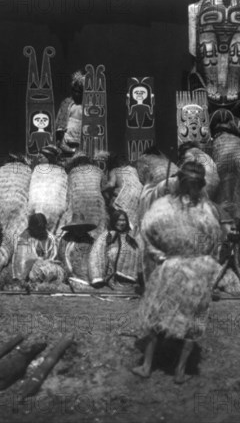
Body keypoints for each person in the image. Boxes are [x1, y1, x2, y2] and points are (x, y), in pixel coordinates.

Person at [133, 160, 222, 383]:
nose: (191, 187)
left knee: (185, 324)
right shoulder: (170, 206)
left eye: (195, 183)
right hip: (181, 268)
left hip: (187, 269)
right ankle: (163, 368)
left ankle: (163, 368)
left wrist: (161, 256)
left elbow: (214, 241)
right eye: (188, 182)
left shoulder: (205, 210)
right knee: (162, 320)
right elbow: (148, 231)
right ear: (183, 182)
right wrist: (159, 255)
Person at [89, 209, 141, 289]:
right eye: (119, 220)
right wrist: (97, 277)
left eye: (123, 220)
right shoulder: (106, 236)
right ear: (114, 221)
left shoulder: (130, 239)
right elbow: (96, 254)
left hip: (128, 280)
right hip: (109, 278)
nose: (121, 223)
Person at [12, 213, 63, 289]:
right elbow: (20, 260)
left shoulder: (50, 238)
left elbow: (52, 258)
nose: (39, 230)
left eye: (42, 227)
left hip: (45, 271)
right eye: (37, 228)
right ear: (31, 227)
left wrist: (41, 264)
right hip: (27, 272)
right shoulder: (24, 237)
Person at [57, 213, 97, 284]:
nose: (79, 230)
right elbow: (61, 256)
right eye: (77, 228)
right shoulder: (65, 240)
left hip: (86, 277)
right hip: (68, 276)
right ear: (72, 228)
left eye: (81, 227)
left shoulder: (91, 241)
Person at [55, 70, 84, 155]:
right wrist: (59, 130)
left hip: (80, 136)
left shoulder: (87, 105)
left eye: (79, 91)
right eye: (74, 91)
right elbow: (60, 117)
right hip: (67, 136)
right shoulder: (66, 102)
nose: (76, 94)